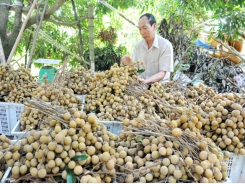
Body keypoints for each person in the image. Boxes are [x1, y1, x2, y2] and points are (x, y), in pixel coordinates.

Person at [121, 13, 173, 84]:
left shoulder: (165, 45)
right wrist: (128, 63)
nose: (142, 32)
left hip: (160, 89)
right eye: (140, 29)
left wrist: (146, 81)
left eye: (145, 28)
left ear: (154, 26)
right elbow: (134, 69)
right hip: (142, 87)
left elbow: (162, 73)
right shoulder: (138, 46)